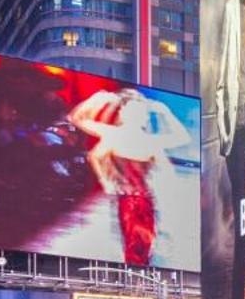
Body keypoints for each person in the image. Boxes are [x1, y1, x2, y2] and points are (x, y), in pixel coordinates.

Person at [67, 88, 195, 268]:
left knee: (146, 250)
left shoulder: (149, 140)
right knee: (134, 250)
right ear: (123, 113)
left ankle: (139, 282)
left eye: (140, 111)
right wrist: (96, 99)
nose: (137, 115)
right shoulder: (114, 134)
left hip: (147, 202)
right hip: (128, 201)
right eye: (132, 110)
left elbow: (182, 137)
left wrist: (165, 112)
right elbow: (77, 121)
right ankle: (134, 283)